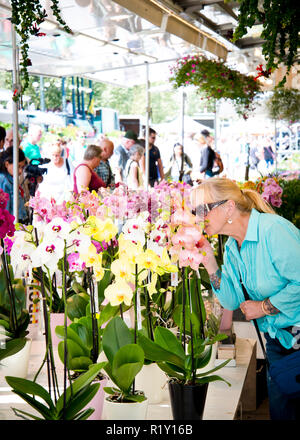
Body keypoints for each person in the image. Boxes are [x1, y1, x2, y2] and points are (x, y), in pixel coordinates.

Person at [190, 178, 300, 420]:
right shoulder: (232, 247)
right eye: (193, 211)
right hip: (275, 341)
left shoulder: (274, 231)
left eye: (201, 210)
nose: (197, 218)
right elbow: (231, 300)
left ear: (228, 207)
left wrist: (263, 307)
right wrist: (209, 260)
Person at [0, 147, 27, 222]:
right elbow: (4, 210)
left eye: (22, 167)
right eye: (18, 166)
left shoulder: (11, 179)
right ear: (7, 164)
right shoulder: (3, 181)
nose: (20, 171)